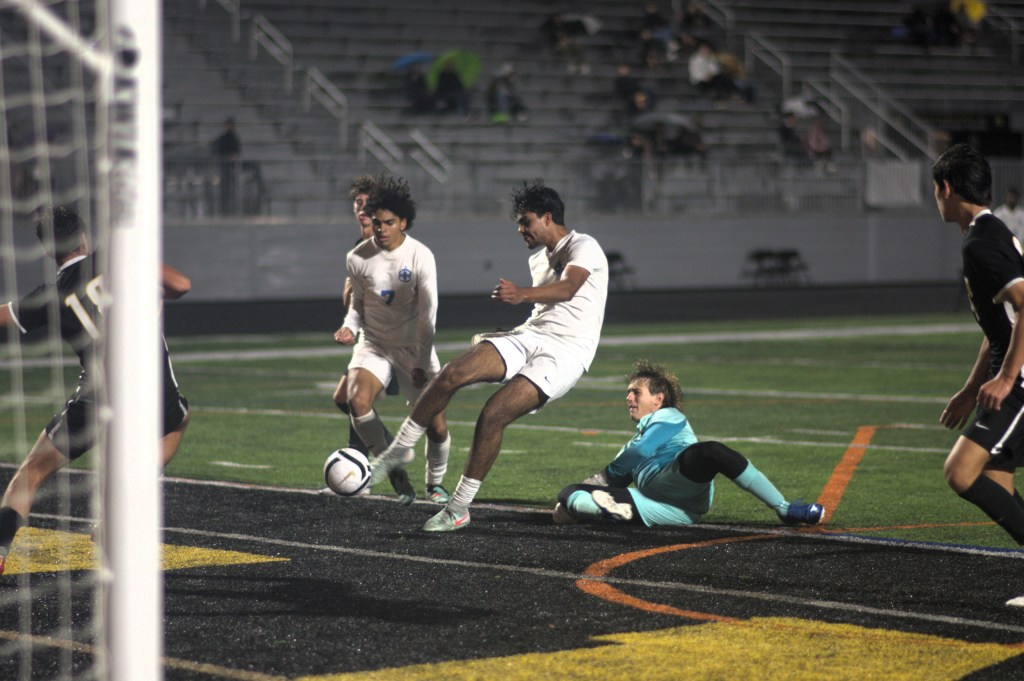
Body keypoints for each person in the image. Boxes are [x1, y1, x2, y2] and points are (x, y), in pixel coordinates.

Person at [368, 181, 609, 532]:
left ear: (547, 216)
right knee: (451, 372)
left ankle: (459, 507)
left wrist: (521, 294)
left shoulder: (583, 245)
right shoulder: (538, 258)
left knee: (494, 413)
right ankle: (399, 450)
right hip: (531, 335)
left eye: (525, 221)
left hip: (567, 353)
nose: (520, 229)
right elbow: (546, 311)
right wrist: (503, 334)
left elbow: (569, 288)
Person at [0, 206, 191, 575]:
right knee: (176, 423)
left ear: (46, 250)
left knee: (32, 472)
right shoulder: (117, 259)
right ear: (84, 236)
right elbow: (181, 286)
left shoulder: (51, 295)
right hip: (149, 386)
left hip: (98, 394)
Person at [553, 360, 824, 527]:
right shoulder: (630, 447)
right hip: (668, 509)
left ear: (658, 399)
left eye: (636, 392)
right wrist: (572, 503)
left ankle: (784, 508)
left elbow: (642, 451)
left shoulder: (669, 416)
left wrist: (606, 476)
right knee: (571, 493)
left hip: (677, 480)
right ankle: (600, 511)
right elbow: (628, 462)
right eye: (628, 393)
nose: (629, 398)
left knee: (710, 451)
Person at [932, 144, 1024, 606]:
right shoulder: (988, 232)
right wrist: (972, 388)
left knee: (960, 472)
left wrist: (1007, 378)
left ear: (946, 188)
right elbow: (1000, 323)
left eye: (936, 189)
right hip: (1013, 373)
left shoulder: (982, 241)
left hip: (1022, 379)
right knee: (996, 476)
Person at [334, 176, 450, 506]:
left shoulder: (421, 257)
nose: (381, 229)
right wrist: (349, 327)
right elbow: (357, 305)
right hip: (374, 342)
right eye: (378, 222)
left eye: (389, 223)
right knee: (355, 401)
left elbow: (429, 316)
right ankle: (393, 464)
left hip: (414, 345)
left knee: (437, 426)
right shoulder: (357, 257)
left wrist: (422, 362)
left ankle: (435, 483)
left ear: (404, 223)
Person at [211, 117, 241, 215]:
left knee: (231, 189)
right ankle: (224, 209)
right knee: (224, 189)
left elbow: (237, 151)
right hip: (224, 167)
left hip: (231, 167)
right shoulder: (222, 138)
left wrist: (233, 157)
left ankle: (231, 209)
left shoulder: (234, 138)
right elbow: (217, 150)